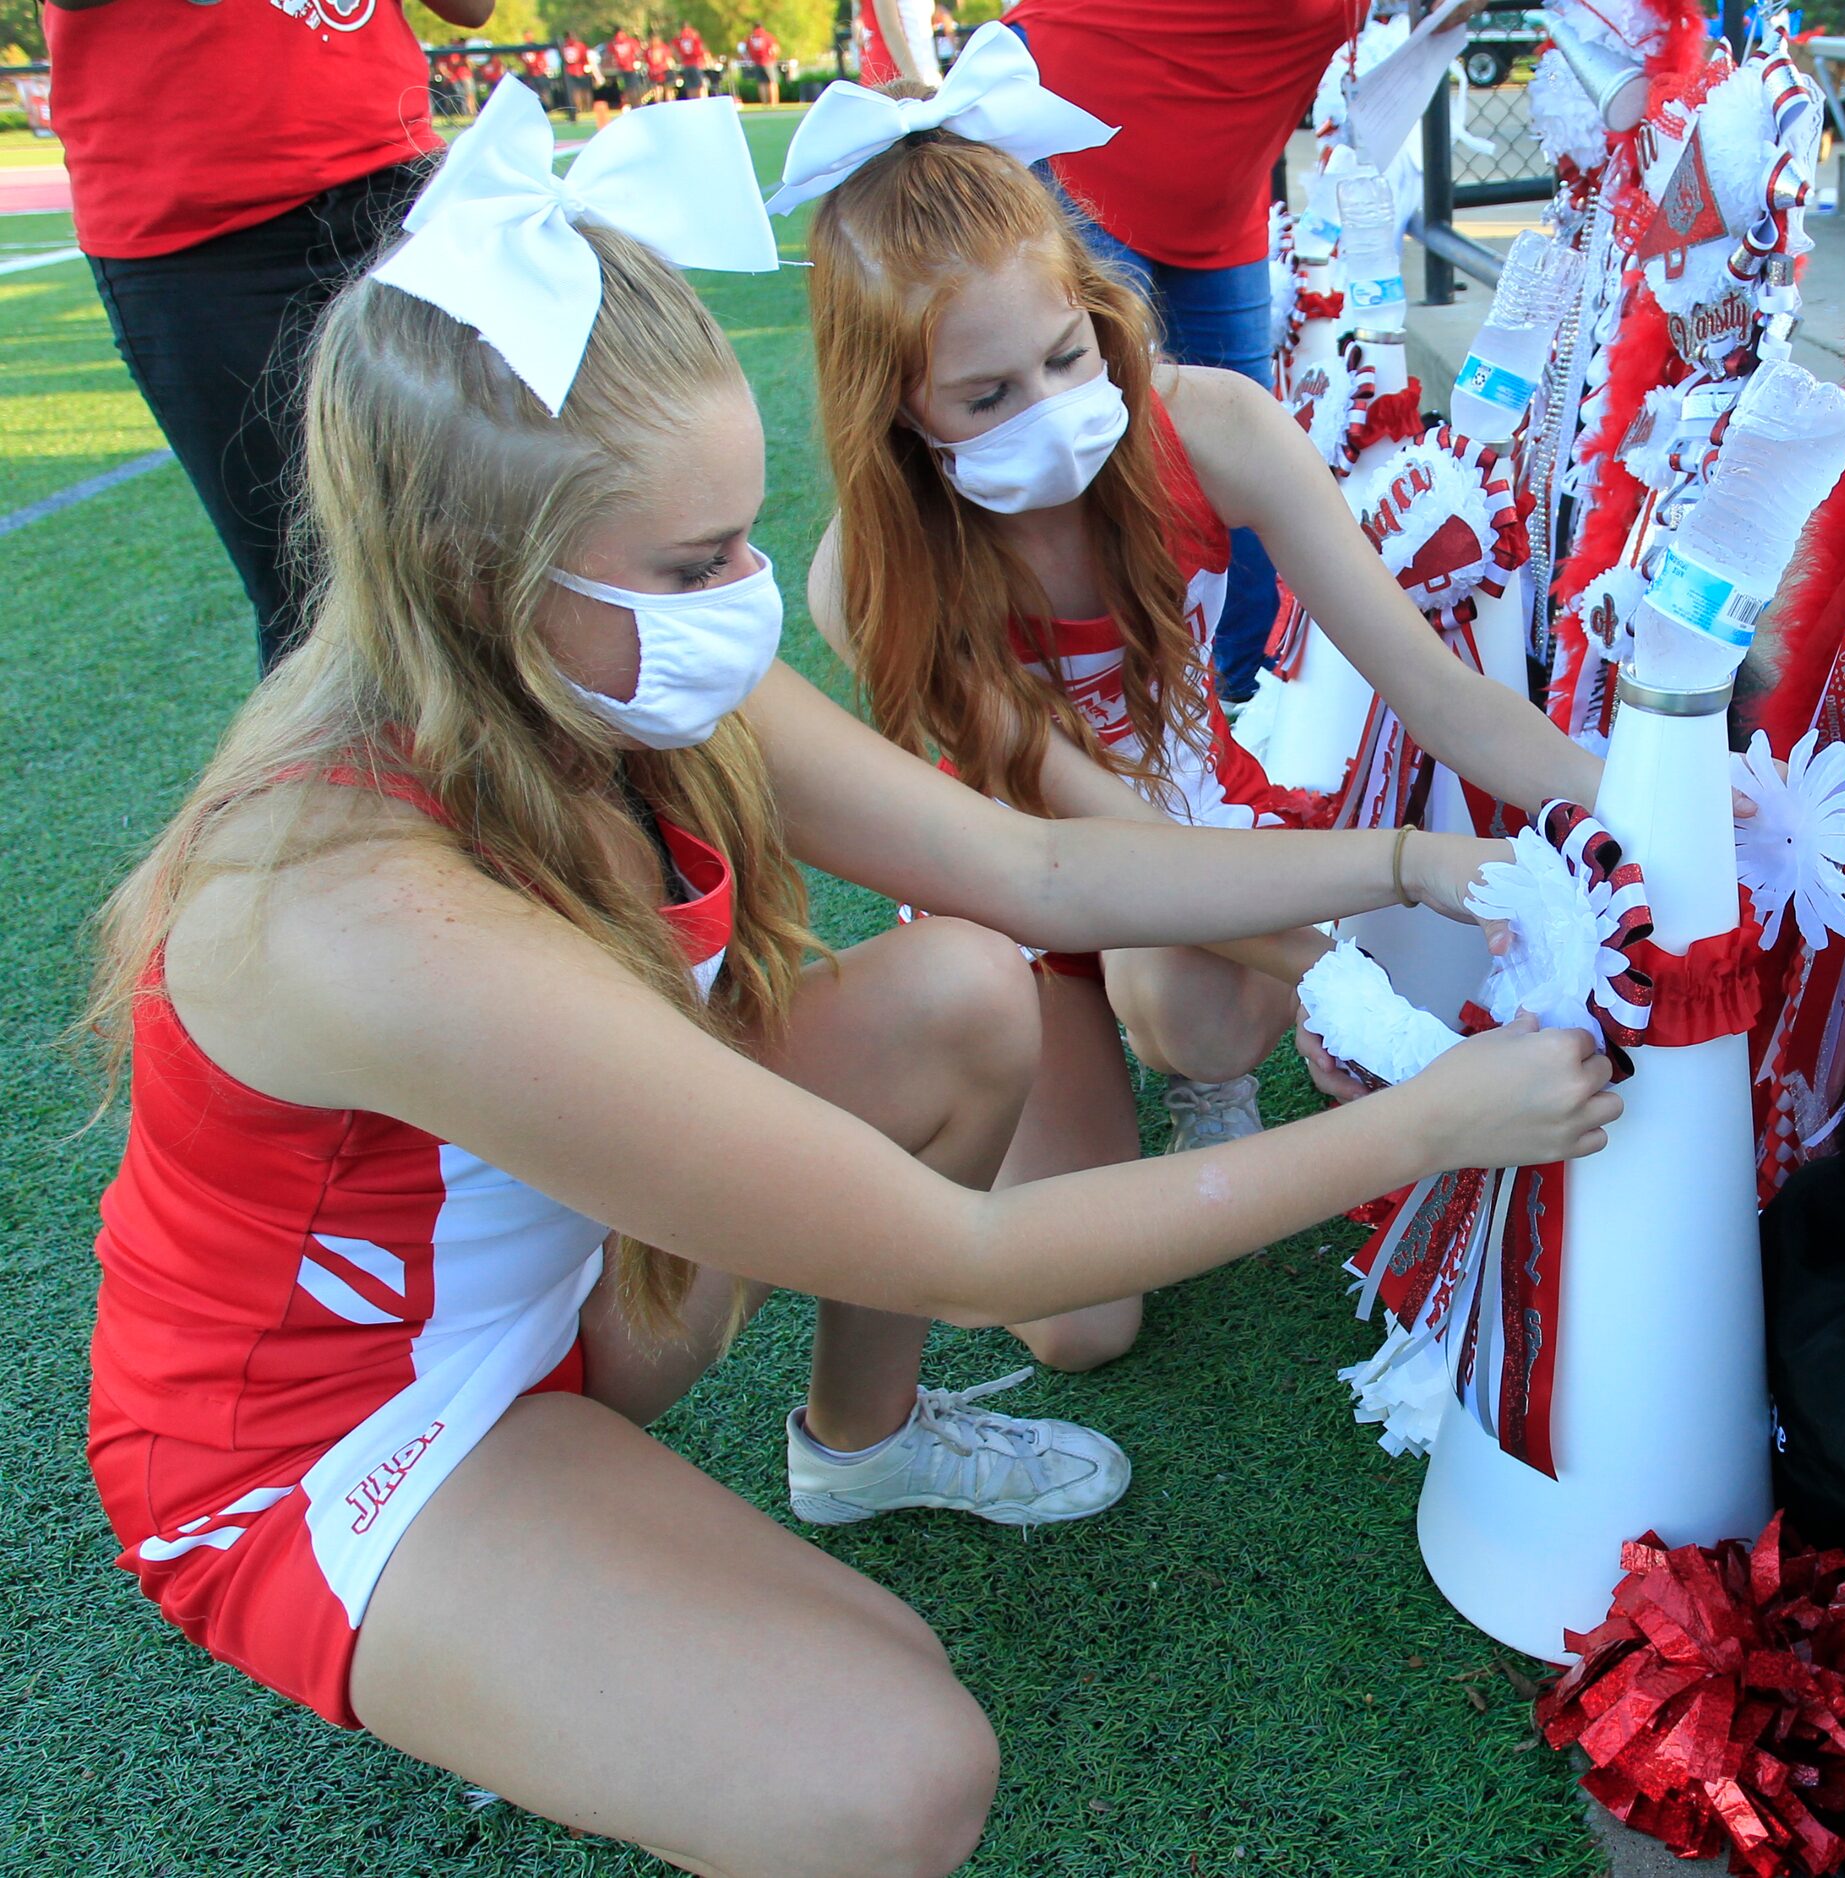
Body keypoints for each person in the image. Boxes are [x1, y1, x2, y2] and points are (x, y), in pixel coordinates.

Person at [82, 88, 1613, 1874]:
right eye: (690, 559)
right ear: (476, 571)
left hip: (563, 1285)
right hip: (332, 1432)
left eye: (740, 534)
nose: (749, 596)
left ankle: (853, 1447)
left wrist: (1414, 863)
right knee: (893, 1769)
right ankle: (493, 1626)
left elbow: (1034, 871)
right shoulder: (351, 908)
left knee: (964, 988)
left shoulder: (598, 656)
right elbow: (962, 1251)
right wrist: (1438, 1115)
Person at [779, 44, 1610, 1374]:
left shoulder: (1212, 425)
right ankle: (978, 1103)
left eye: (1064, 355)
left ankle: (1201, 1078)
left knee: (1200, 1014)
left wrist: (1624, 809)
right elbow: (1079, 847)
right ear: (895, 417)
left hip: (1191, 834)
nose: (1051, 413)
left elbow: (1438, 690)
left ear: (1098, 308)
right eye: (986, 398)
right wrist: (1346, 988)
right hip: (1021, 896)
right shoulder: (869, 575)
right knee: (1076, 1330)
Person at [40, 0, 490, 671]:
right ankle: (338, 780)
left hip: (394, 181)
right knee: (312, 596)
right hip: (194, 229)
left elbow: (469, 8)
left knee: (496, 542)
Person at [1001, 0, 1424, 703]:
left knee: (1244, 447)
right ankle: (1097, 707)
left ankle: (1247, 698)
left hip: (1220, 195)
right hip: (1085, 138)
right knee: (1097, 448)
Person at [743, 21, 782, 105]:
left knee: (761, 84)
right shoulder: (767, 36)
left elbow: (745, 50)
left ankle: (764, 103)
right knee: (772, 82)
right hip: (768, 61)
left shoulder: (751, 37)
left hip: (757, 62)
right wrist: (774, 57)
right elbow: (774, 48)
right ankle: (774, 103)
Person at [559, 30, 593, 121]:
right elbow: (585, 57)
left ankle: (579, 108)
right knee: (584, 90)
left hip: (569, 71)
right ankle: (587, 108)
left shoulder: (562, 47)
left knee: (575, 91)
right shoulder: (580, 45)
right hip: (580, 69)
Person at [672, 18, 709, 99]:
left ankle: (692, 102)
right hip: (695, 63)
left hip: (685, 64)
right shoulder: (694, 34)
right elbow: (701, 47)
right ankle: (701, 102)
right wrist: (705, 59)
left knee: (690, 88)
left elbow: (674, 49)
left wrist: (679, 58)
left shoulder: (679, 36)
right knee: (699, 86)